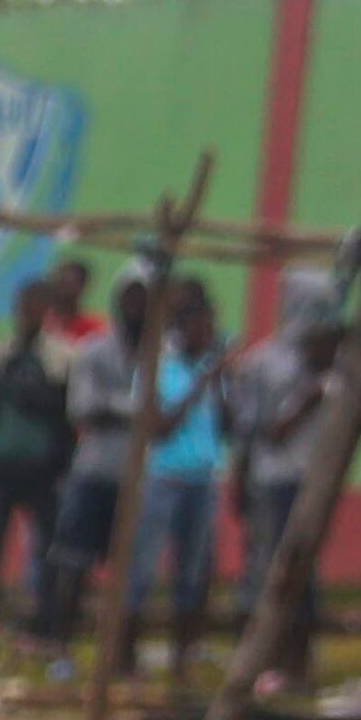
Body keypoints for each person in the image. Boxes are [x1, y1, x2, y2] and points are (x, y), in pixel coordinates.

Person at [221, 275, 344, 686]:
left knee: (305, 573)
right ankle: (261, 659)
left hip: (315, 478)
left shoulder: (337, 363)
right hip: (273, 478)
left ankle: (298, 661)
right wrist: (240, 477)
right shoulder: (263, 362)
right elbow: (251, 429)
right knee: (269, 569)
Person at [46, 261, 155, 639]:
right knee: (74, 562)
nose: (136, 306)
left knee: (131, 570)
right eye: (130, 297)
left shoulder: (162, 354)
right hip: (93, 472)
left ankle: (120, 649)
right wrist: (133, 411)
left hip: (140, 479)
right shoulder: (93, 350)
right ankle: (61, 646)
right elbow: (83, 409)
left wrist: (120, 409)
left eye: (144, 298)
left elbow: (161, 413)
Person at [0, 269, 79, 642]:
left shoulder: (63, 358)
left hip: (44, 467)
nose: (28, 313)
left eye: (35, 306)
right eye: (23, 306)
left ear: (46, 310)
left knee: (48, 549)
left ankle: (47, 624)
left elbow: (67, 417)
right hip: (2, 462)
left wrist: (62, 465)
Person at [134, 275, 229, 678]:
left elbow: (229, 425)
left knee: (193, 574)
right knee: (142, 569)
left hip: (202, 480)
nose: (207, 335)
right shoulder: (160, 367)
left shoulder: (215, 372)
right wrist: (199, 384)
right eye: (201, 327)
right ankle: (125, 655)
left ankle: (184, 657)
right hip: (163, 480)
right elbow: (159, 427)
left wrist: (221, 383)